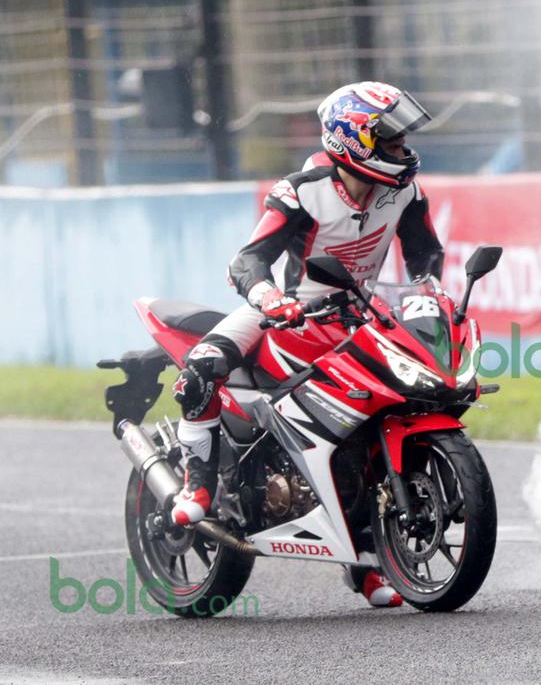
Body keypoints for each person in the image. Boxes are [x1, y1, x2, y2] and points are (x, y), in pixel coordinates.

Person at [169, 81, 444, 607]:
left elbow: (425, 256)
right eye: (388, 139)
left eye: (401, 138)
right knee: (202, 367)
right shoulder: (301, 189)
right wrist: (271, 299)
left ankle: (365, 558)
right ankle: (196, 482)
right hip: (288, 310)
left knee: (374, 419)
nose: (401, 149)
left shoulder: (408, 192)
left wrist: (430, 293)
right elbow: (247, 261)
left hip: (360, 315)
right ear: (353, 140)